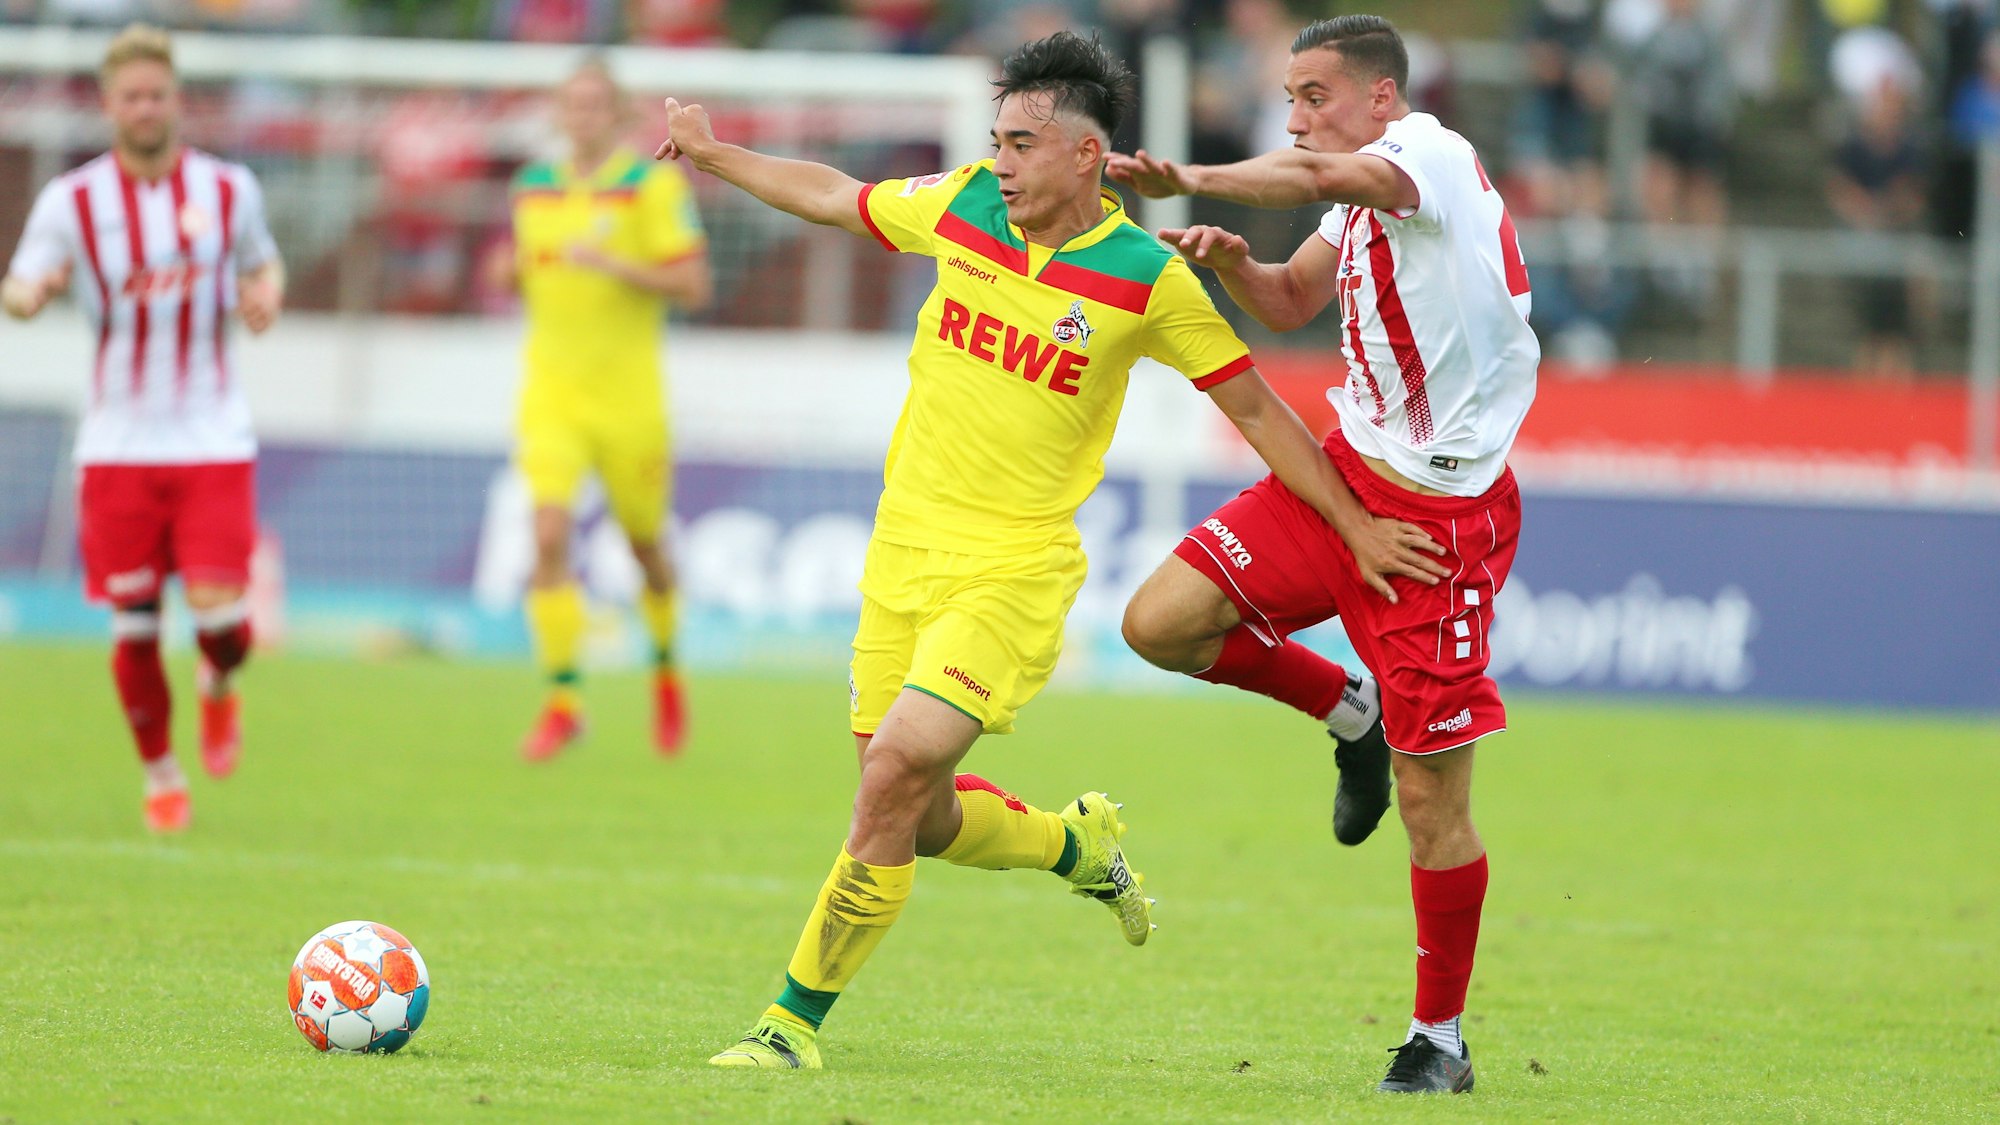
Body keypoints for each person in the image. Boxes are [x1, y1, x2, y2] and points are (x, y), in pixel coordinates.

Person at [655, 30, 1445, 1071]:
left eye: (1021, 145)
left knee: (891, 772)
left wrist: (1352, 523)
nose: (1000, 163)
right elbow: (835, 196)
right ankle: (1075, 844)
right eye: (996, 142)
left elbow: (1258, 412)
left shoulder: (1145, 278)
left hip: (1012, 571)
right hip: (902, 553)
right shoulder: (960, 206)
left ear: (1085, 154)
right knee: (914, 814)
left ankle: (788, 1026)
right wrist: (715, 155)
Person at [1108, 13, 1537, 1095]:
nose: (1296, 117)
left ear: (1381, 97)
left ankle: (1438, 1039)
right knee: (1159, 624)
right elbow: (1294, 299)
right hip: (1344, 482)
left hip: (1435, 529)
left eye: (1314, 96)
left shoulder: (1426, 157)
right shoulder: (1357, 205)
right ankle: (1350, 714)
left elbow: (1311, 175)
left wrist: (1191, 176)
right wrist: (1237, 265)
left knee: (1433, 802)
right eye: (1289, 97)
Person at [1, 23, 284, 833]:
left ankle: (218, 682)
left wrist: (267, 294)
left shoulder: (229, 189)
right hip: (118, 443)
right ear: (108, 104)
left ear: (176, 99)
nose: (146, 107)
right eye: (131, 96)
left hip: (211, 435)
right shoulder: (73, 201)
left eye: (157, 94)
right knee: (134, 627)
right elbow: (18, 286)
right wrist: (32, 295)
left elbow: (263, 260)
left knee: (223, 619)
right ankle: (162, 773)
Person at [485, 57, 713, 760]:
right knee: (548, 533)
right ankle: (563, 701)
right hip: (551, 395)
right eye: (571, 104)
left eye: (594, 104)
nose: (581, 116)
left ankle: (666, 669)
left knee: (646, 549)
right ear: (558, 114)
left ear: (616, 115)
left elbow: (693, 284)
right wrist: (504, 270)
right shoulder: (533, 186)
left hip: (629, 401)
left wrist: (616, 265)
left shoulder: (651, 184)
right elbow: (514, 269)